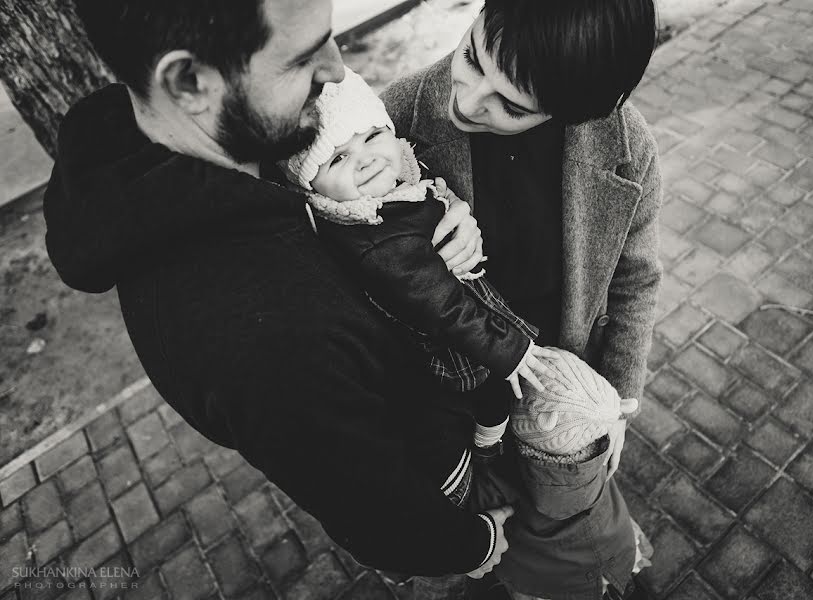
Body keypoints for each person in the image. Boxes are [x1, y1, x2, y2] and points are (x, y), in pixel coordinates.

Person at [43, 0, 514, 580]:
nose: (338, 69)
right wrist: (474, 545)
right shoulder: (269, 340)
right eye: (300, 57)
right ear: (189, 82)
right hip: (440, 471)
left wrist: (438, 213)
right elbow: (385, 517)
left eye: (329, 36)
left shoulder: (222, 148)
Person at [381, 0, 662, 597]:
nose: (468, 98)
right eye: (471, 54)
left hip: (559, 393)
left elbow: (635, 278)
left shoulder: (629, 145)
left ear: (578, 112)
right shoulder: (393, 119)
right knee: (484, 542)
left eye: (511, 105)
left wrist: (618, 404)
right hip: (452, 405)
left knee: (571, 541)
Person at [283, 66, 559, 452]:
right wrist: (508, 350)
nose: (365, 160)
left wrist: (449, 199)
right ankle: (488, 444)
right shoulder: (375, 239)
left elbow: (425, 188)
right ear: (312, 187)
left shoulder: (391, 184)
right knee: (491, 391)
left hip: (471, 311)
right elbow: (441, 305)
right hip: (455, 337)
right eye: (338, 159)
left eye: (373, 136)